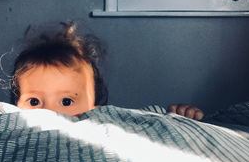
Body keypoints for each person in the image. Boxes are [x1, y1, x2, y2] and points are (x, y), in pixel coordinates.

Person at [11, 22, 204, 119]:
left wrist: (180, 119)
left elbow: (148, 127)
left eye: (66, 101)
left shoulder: (107, 122)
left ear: (96, 107)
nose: (50, 112)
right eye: (34, 101)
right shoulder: (13, 130)